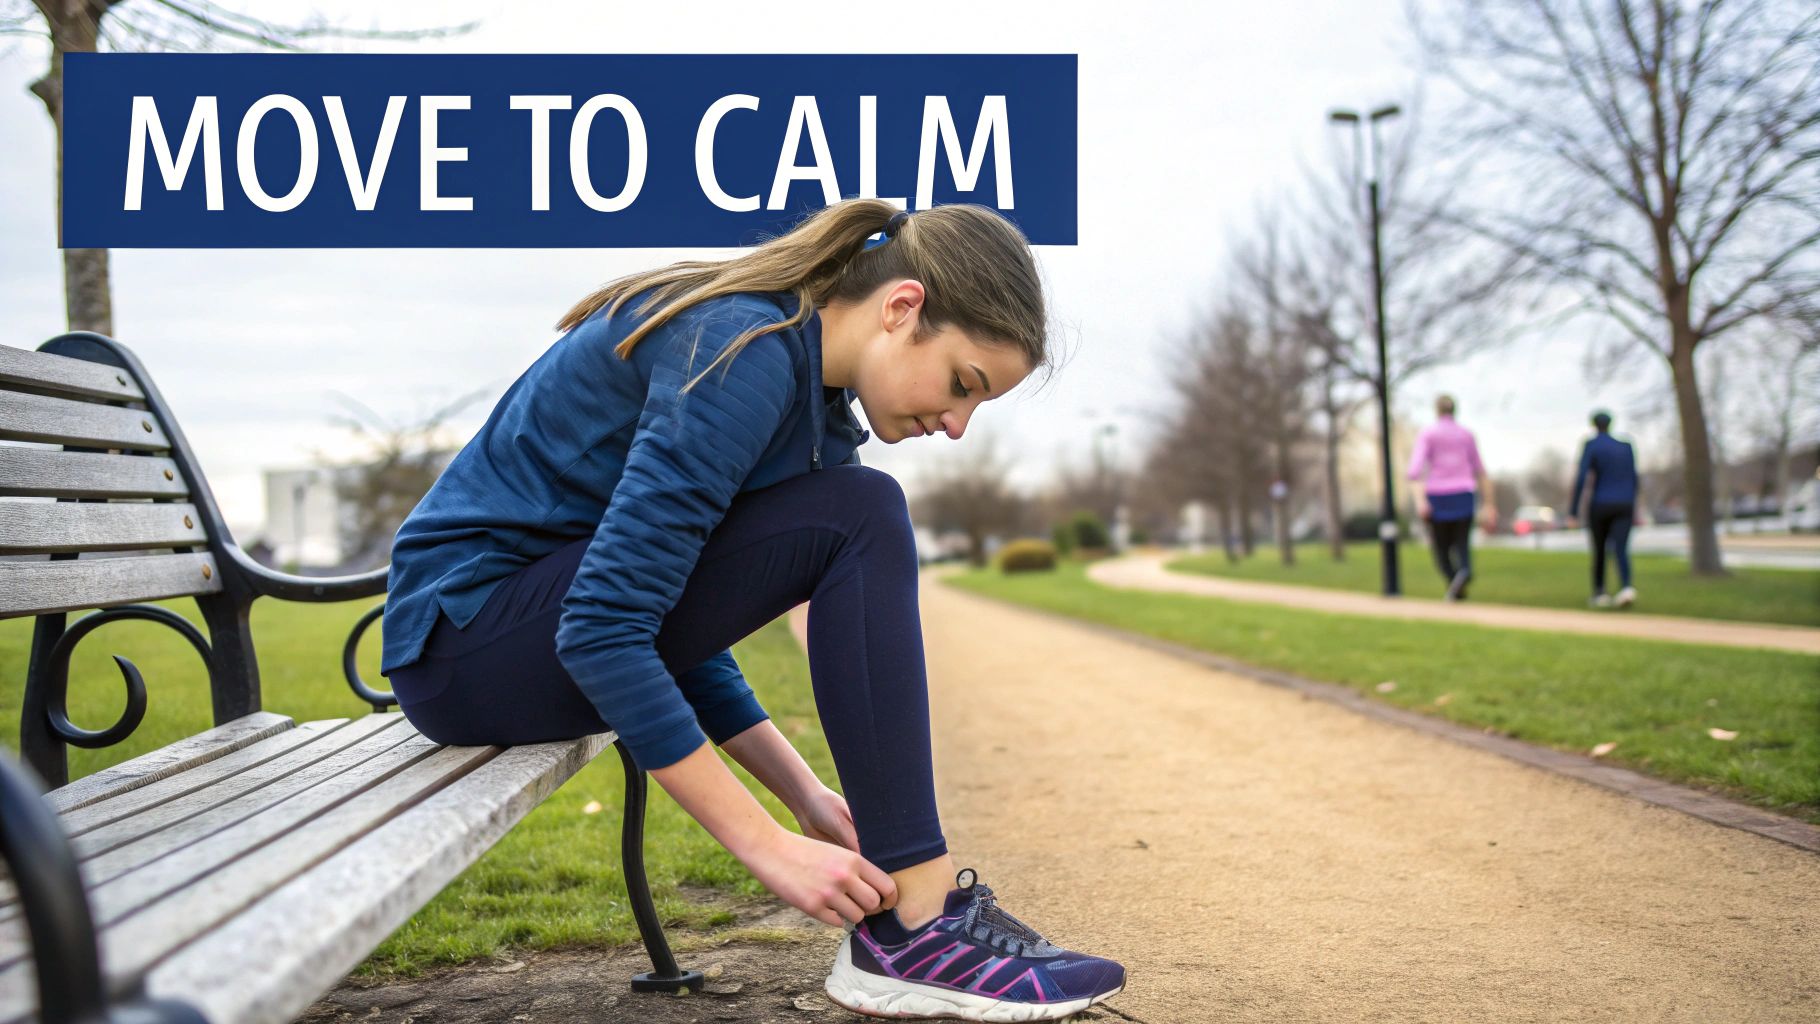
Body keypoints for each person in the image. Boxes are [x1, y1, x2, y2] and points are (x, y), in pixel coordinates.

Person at [378, 199, 1125, 1021]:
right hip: (463, 643)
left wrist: (803, 795)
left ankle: (919, 916)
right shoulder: (744, 350)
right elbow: (604, 627)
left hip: (501, 639)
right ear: (901, 308)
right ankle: (918, 923)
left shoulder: (809, 407)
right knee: (862, 511)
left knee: (856, 506)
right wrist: (766, 846)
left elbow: (673, 616)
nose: (955, 425)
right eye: (961, 384)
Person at [1406, 394, 1497, 600]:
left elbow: (1414, 471)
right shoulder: (1466, 435)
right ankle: (1463, 574)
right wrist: (1489, 504)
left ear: (1437, 411)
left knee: (1441, 548)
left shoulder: (1428, 434)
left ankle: (1455, 577)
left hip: (1438, 496)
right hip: (1464, 494)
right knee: (1462, 542)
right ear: (1454, 410)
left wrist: (1421, 501)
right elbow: (1480, 471)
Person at [1566, 410, 1639, 608]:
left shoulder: (1592, 445)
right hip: (1625, 504)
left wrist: (1573, 511)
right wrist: (1635, 506)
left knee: (1599, 550)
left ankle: (1600, 592)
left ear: (1594, 425)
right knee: (1621, 548)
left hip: (1600, 504)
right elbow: (1634, 478)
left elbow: (1582, 478)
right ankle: (1626, 587)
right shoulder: (1626, 446)